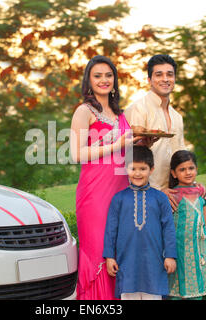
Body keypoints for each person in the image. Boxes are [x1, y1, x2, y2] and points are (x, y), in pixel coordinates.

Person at [70, 55, 142, 300]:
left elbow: (126, 152)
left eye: (108, 75)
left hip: (121, 189)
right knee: (100, 251)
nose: (104, 80)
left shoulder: (120, 114)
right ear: (88, 81)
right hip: (95, 194)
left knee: (118, 252)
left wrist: (141, 143)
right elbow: (76, 154)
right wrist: (116, 145)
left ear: (115, 80)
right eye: (97, 75)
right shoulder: (84, 111)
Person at [103, 145, 177, 300]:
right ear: (126, 169)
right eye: (133, 168)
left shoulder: (160, 198)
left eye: (143, 169)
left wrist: (170, 256)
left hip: (155, 261)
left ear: (152, 169)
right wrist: (109, 257)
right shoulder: (119, 199)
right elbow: (111, 230)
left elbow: (168, 228)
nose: (137, 173)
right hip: (127, 261)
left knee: (153, 294)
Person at [124, 54, 186, 210]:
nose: (165, 79)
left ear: (175, 78)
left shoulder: (177, 116)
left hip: (173, 197)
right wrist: (157, 191)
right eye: (159, 74)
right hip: (145, 197)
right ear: (149, 80)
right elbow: (130, 158)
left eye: (169, 74)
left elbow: (182, 157)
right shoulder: (139, 108)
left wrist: (192, 186)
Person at [167, 150, 206, 299]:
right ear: (174, 173)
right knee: (179, 289)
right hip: (180, 251)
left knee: (197, 290)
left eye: (191, 168)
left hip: (200, 250)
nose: (187, 172)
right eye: (182, 169)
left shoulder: (201, 193)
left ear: (196, 169)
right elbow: (167, 227)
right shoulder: (172, 196)